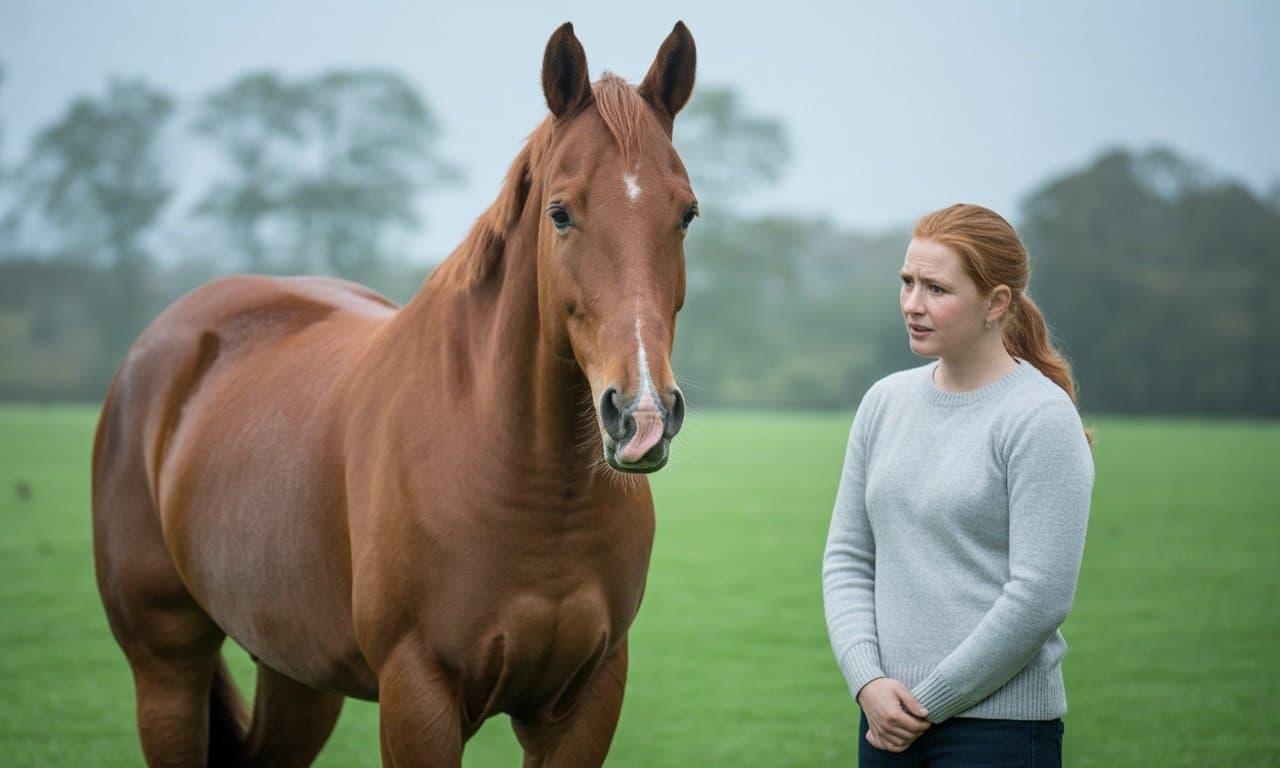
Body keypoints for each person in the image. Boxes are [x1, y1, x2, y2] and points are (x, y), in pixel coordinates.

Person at [822, 203, 1094, 766]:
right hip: (885, 724)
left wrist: (929, 700)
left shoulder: (1038, 417)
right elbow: (848, 558)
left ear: (996, 303)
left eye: (936, 289)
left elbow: (1040, 596)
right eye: (907, 282)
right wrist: (868, 680)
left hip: (998, 735)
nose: (913, 305)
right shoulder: (884, 403)